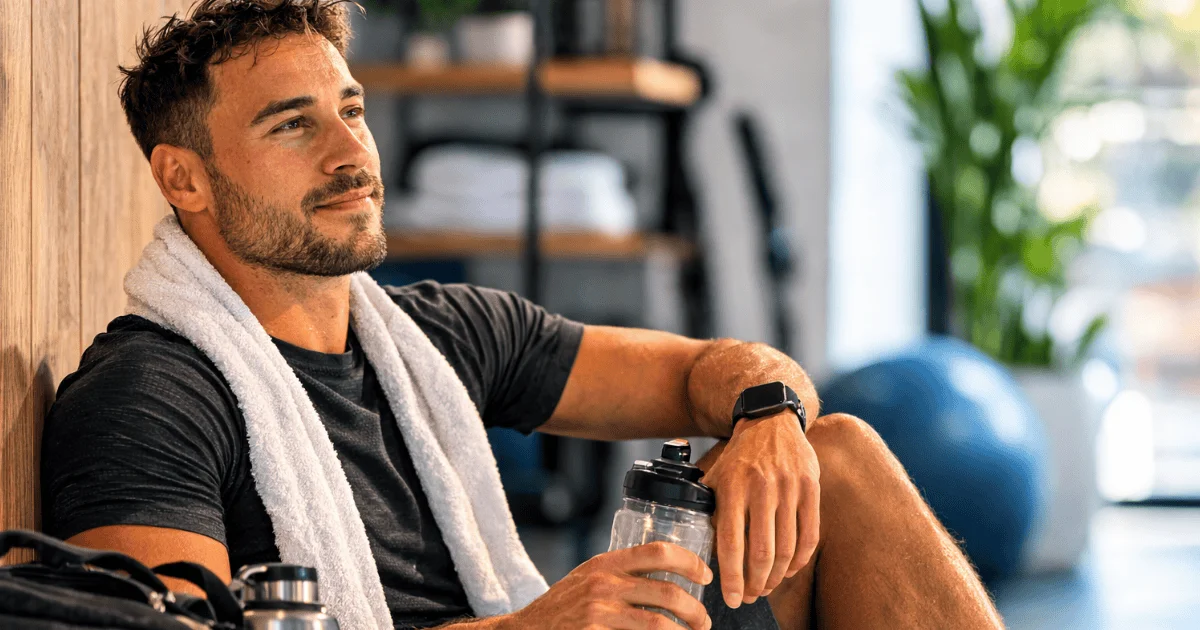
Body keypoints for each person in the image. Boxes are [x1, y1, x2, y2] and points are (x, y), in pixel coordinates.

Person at [40, 1, 1005, 629]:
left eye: (353, 109)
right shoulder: (147, 396)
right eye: (292, 124)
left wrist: (766, 413)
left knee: (836, 455)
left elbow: (715, 366)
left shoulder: (440, 335)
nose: (350, 153)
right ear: (186, 179)